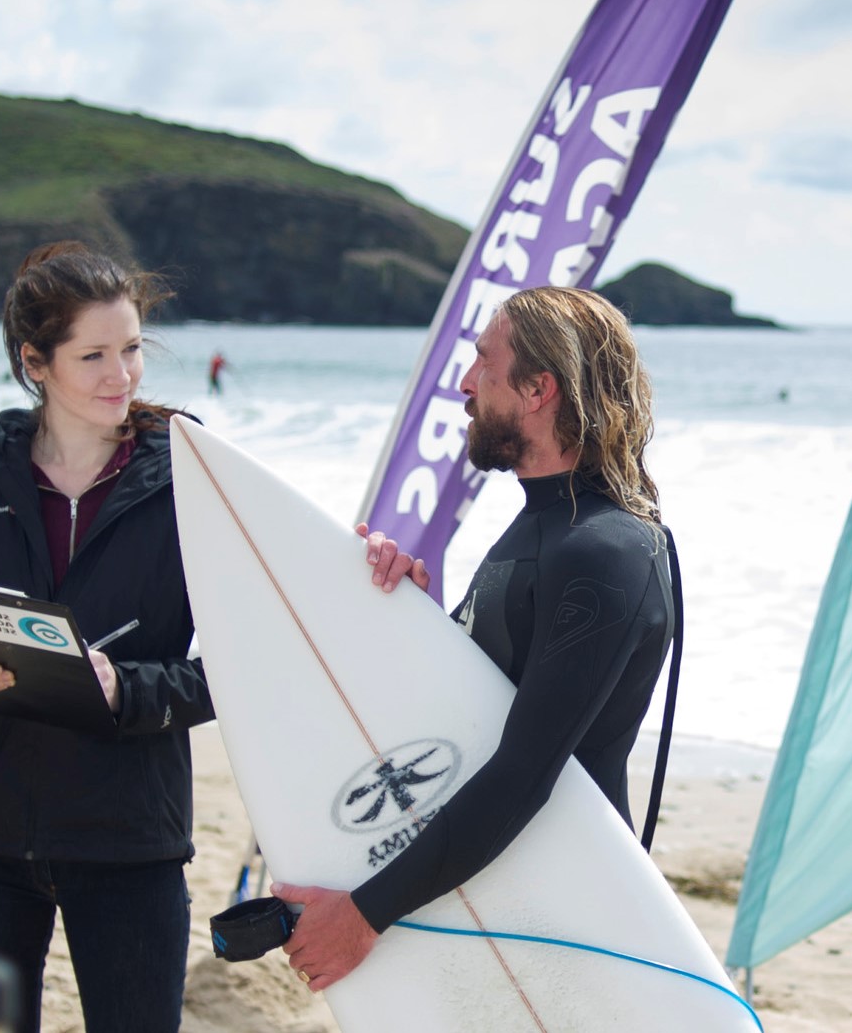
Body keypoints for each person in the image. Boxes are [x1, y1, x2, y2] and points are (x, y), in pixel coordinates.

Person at [274, 286, 677, 991]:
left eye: (483, 364)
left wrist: (363, 916)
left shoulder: (603, 553)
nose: (465, 384)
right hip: (490, 891)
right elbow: (474, 711)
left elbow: (526, 772)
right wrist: (412, 619)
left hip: (561, 918)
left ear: (537, 389)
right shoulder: (544, 530)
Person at [0, 241, 214, 1033]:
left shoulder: (194, 487)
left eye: (134, 348)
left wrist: (128, 689)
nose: (125, 375)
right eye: (95, 355)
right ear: (34, 362)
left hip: (130, 845)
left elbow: (240, 669)